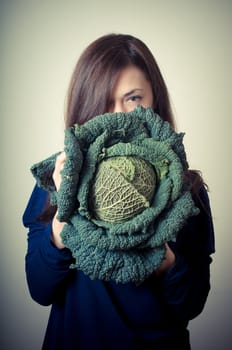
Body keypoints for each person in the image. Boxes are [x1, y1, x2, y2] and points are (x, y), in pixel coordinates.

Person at [23, 34, 215, 350]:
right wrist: (64, 212)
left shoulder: (187, 190)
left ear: (156, 99)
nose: (117, 115)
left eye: (133, 98)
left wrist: (163, 259)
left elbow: (191, 304)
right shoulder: (53, 181)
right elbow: (40, 289)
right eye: (103, 101)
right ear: (85, 106)